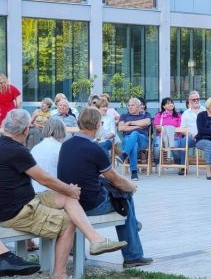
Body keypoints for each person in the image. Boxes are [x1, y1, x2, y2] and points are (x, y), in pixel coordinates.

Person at [0, 109, 127, 279]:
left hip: (25, 201)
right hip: (18, 211)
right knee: (68, 221)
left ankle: (95, 240)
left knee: (68, 197)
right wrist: (69, 188)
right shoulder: (17, 151)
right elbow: (44, 179)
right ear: (26, 131)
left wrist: (68, 191)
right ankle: (59, 274)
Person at [57, 107, 153, 268]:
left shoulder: (67, 144)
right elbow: (117, 179)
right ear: (97, 124)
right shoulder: (95, 149)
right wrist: (132, 187)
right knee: (124, 200)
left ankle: (134, 225)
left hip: (69, 201)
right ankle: (133, 254)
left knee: (119, 192)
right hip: (89, 204)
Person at [117, 98, 152, 181]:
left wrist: (130, 123)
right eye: (129, 105)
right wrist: (138, 126)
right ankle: (134, 173)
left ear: (139, 106)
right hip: (127, 140)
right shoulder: (124, 116)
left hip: (142, 140)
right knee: (134, 144)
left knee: (135, 134)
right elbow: (120, 128)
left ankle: (124, 155)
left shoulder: (146, 115)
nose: (130, 107)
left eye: (132, 105)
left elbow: (146, 122)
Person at [31, 118, 66, 192]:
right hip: (52, 192)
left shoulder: (35, 148)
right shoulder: (61, 149)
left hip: (34, 192)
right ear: (62, 131)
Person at [178, 91, 206, 175]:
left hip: (204, 136)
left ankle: (210, 166)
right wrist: (191, 134)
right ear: (189, 101)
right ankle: (183, 167)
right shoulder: (186, 113)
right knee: (183, 142)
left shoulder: (205, 110)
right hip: (191, 137)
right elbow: (182, 129)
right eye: (194, 99)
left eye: (198, 99)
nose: (196, 101)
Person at [153, 97, 182, 166]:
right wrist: (169, 128)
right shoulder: (159, 115)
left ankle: (178, 162)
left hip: (175, 136)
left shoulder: (178, 115)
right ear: (164, 106)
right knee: (157, 146)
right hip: (161, 136)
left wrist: (166, 129)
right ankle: (157, 162)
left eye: (172, 103)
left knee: (175, 145)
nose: (171, 104)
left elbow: (179, 128)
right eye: (168, 103)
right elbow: (157, 127)